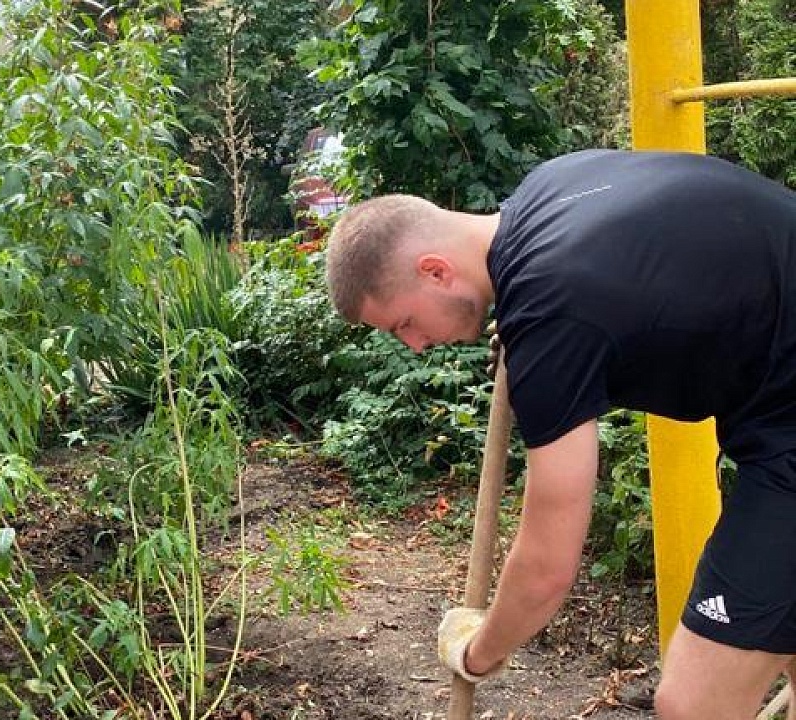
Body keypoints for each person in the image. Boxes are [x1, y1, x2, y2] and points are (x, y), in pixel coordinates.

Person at [324, 149, 796, 720]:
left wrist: (478, 652)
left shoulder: (551, 319)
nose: (415, 345)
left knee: (694, 705)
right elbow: (630, 291)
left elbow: (548, 565)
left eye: (403, 324)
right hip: (776, 400)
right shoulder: (546, 191)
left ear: (435, 271)